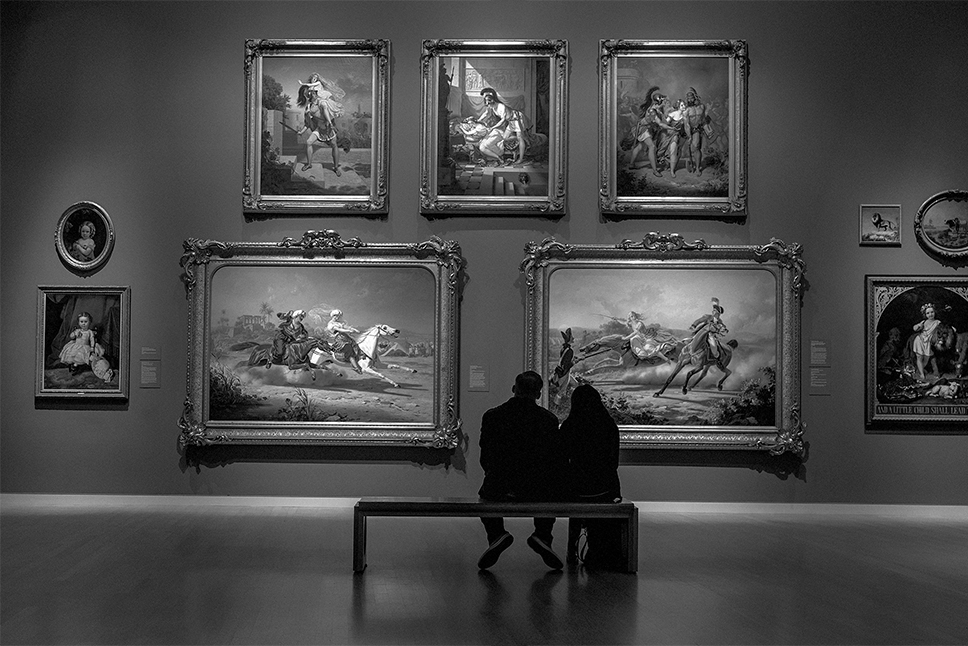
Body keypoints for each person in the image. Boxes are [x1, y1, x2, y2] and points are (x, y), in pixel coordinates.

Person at [477, 371, 568, 570]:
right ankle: (543, 535)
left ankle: (496, 534)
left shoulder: (492, 416)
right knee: (548, 491)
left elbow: (486, 455)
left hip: (499, 486)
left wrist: (495, 473)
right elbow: (554, 460)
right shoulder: (548, 420)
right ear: (538, 394)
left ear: (514, 389)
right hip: (536, 488)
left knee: (485, 495)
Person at [560, 384, 624, 569]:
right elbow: (613, 463)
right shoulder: (609, 425)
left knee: (576, 505)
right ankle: (601, 549)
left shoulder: (570, 425)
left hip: (576, 488)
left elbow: (562, 459)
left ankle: (572, 548)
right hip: (605, 488)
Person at [296, 75, 345, 176]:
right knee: (309, 142)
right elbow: (307, 123)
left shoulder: (322, 102)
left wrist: (330, 124)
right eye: (310, 93)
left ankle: (336, 167)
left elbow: (326, 111)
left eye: (313, 93)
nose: (312, 95)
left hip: (328, 128)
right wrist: (301, 132)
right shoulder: (308, 107)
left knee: (334, 145)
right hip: (319, 129)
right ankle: (309, 164)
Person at [477, 88, 530, 166]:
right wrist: (478, 120)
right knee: (505, 138)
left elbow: (503, 121)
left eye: (488, 102)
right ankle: (516, 148)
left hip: (517, 118)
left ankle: (521, 159)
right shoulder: (492, 107)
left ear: (492, 100)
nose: (488, 105)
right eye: (486, 102)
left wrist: (493, 128)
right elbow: (486, 114)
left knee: (520, 138)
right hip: (511, 121)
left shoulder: (501, 106)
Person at [326, 309, 362, 373]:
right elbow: (340, 330)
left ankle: (360, 360)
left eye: (338, 316)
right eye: (336, 316)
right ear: (333, 316)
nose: (337, 317)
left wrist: (354, 329)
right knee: (348, 348)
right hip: (339, 339)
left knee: (355, 344)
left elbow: (346, 327)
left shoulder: (340, 322)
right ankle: (355, 367)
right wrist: (348, 331)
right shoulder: (331, 324)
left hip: (346, 337)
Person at [912, 303, 941, 381]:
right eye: (928, 313)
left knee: (926, 359)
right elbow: (915, 328)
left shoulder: (937, 322)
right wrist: (918, 326)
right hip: (920, 340)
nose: (930, 314)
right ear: (925, 314)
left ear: (935, 312)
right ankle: (922, 374)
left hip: (928, 343)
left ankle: (920, 370)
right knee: (919, 357)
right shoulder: (923, 322)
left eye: (932, 312)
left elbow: (943, 328)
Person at [682, 87, 708, 174]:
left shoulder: (702, 107)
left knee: (696, 147)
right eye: (688, 98)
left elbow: (703, 118)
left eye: (691, 98)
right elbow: (686, 125)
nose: (690, 100)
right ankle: (692, 164)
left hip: (698, 129)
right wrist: (689, 136)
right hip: (690, 129)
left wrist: (706, 128)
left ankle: (697, 168)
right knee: (693, 148)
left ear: (695, 98)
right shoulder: (686, 110)